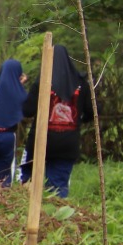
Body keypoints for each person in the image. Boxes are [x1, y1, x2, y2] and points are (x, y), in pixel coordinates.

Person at [20, 44, 91, 198]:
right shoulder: (81, 84)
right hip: (67, 142)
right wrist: (79, 121)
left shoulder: (42, 82)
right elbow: (91, 112)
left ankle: (30, 211)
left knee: (29, 183)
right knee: (58, 187)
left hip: (40, 140)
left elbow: (27, 110)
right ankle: (57, 212)